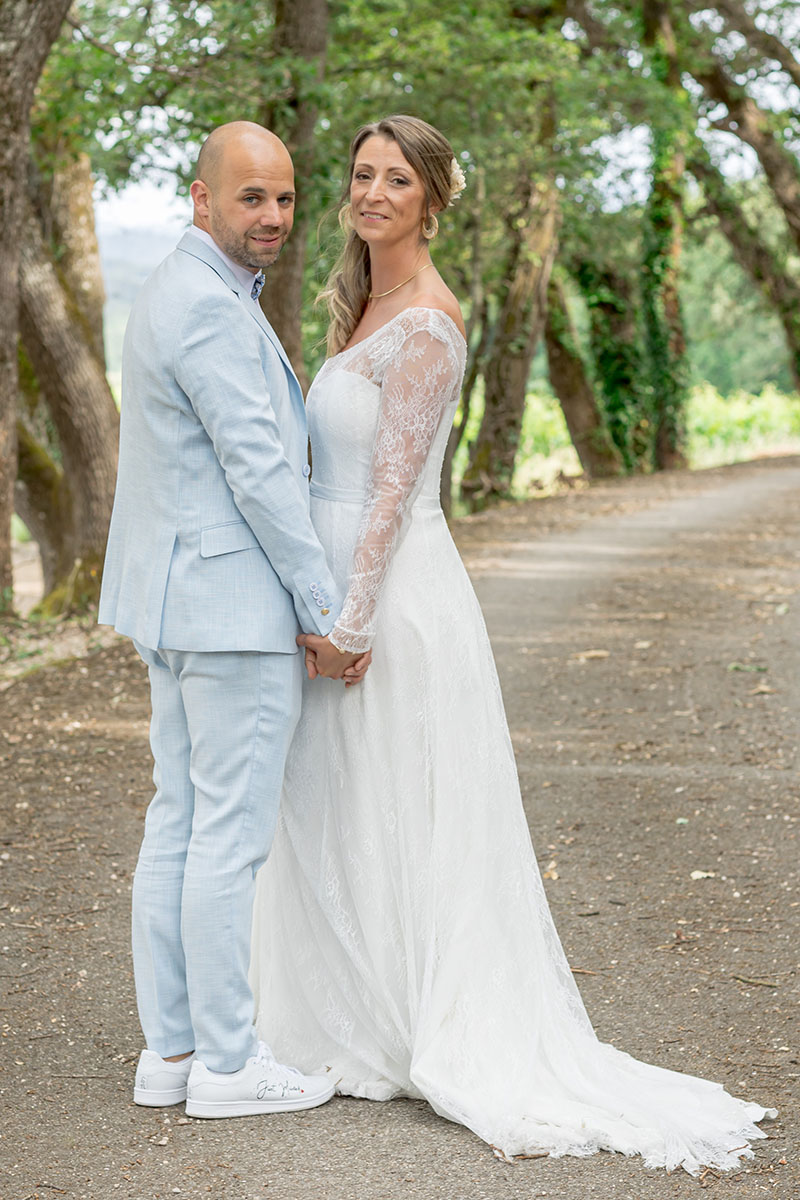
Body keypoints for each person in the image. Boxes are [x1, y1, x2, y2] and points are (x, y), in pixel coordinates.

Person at [250, 115, 776, 1172]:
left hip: (389, 595)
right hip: (329, 576)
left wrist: (350, 620)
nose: (370, 193)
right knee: (335, 796)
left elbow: (395, 493)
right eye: (360, 175)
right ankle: (346, 1007)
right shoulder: (362, 307)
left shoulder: (430, 326)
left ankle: (415, 1017)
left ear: (432, 201)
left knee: (397, 798)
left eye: (396, 179)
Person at [98, 121, 367, 1119]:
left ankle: (170, 1051)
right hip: (230, 611)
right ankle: (225, 1063)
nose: (273, 217)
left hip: (176, 604)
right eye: (251, 197)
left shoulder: (185, 288)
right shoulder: (206, 306)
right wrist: (324, 610)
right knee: (225, 837)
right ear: (201, 197)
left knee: (179, 823)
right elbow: (259, 472)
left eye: (286, 199)